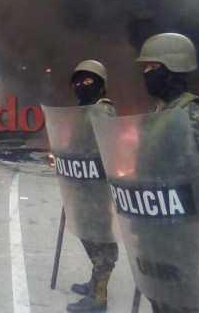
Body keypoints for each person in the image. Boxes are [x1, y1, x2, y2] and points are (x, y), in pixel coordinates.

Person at [135, 33, 199, 313]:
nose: (146, 74)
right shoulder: (156, 112)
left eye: (152, 67)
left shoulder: (191, 115)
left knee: (180, 299)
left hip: (179, 232)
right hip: (153, 225)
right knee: (157, 294)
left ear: (173, 68)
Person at [67, 60, 118, 313]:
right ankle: (94, 282)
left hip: (98, 188)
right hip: (83, 185)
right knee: (88, 236)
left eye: (88, 81)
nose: (81, 86)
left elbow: (107, 147)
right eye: (78, 82)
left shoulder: (102, 110)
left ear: (100, 85)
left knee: (101, 240)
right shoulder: (83, 110)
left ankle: (99, 296)